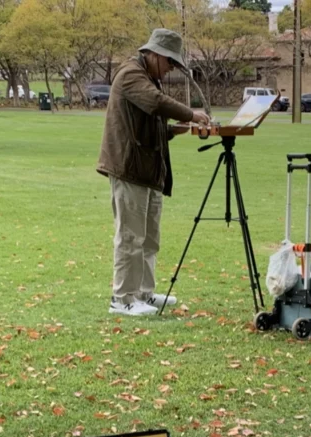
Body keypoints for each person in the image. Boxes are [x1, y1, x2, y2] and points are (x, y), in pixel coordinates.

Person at [97, 28, 211, 316]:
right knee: (130, 236)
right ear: (155, 54)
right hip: (130, 168)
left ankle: (143, 294)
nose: (171, 68)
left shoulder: (148, 77)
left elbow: (151, 122)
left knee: (149, 238)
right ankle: (122, 299)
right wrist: (191, 114)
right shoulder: (131, 74)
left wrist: (175, 130)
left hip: (148, 170)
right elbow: (156, 103)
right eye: (170, 62)